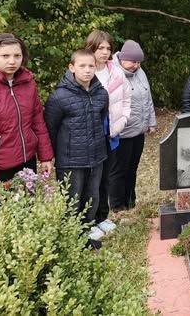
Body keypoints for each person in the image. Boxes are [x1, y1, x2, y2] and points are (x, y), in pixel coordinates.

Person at [0, 33, 54, 214]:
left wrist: (45, 157)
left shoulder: (28, 83)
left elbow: (37, 121)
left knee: (27, 213)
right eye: (5, 56)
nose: (12, 61)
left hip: (26, 163)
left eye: (17, 55)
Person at [44, 49, 109, 244]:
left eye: (91, 66)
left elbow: (101, 120)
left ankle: (87, 233)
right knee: (72, 200)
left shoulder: (101, 93)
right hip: (70, 160)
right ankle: (72, 239)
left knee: (92, 197)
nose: (87, 70)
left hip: (96, 156)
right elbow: (51, 128)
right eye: (82, 66)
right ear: (71, 67)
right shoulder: (59, 97)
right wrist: (56, 155)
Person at [85, 30, 131, 237]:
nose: (104, 52)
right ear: (91, 48)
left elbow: (127, 99)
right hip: (89, 135)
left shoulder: (117, 72)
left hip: (110, 133)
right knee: (90, 180)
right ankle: (89, 220)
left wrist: (122, 122)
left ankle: (102, 216)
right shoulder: (85, 70)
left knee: (105, 177)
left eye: (108, 48)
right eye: (100, 48)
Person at [110, 40, 157, 212]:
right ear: (122, 58)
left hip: (138, 131)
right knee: (119, 170)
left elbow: (148, 98)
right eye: (133, 62)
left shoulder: (140, 73)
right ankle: (117, 205)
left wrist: (151, 121)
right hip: (121, 133)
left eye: (139, 62)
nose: (136, 66)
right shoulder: (113, 73)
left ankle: (130, 201)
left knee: (132, 167)